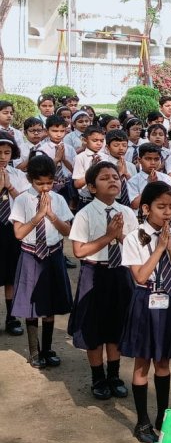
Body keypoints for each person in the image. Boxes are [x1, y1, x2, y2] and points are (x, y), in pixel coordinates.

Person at [120, 181, 171, 443]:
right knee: (142, 362)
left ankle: (164, 417)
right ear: (145, 208)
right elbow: (140, 276)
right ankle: (142, 420)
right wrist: (160, 248)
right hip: (146, 298)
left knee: (163, 362)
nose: (167, 212)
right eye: (161, 206)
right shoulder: (134, 237)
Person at [68, 161, 137, 400]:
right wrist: (108, 236)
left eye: (116, 177)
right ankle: (98, 377)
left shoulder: (127, 212)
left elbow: (136, 246)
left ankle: (114, 375)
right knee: (94, 328)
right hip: (94, 273)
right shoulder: (85, 214)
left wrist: (120, 237)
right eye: (105, 178)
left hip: (120, 273)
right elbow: (78, 251)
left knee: (116, 326)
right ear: (91, 187)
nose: (113, 181)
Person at [10, 154, 73, 368]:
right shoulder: (22, 199)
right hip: (31, 254)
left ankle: (47, 349)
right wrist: (38, 216)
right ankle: (34, 352)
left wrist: (52, 215)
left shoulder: (59, 199)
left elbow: (67, 230)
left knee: (50, 304)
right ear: (29, 180)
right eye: (40, 183)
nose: (45, 188)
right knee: (31, 306)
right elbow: (18, 233)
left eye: (49, 182)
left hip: (53, 255)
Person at [0, 134, 30, 336]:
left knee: (11, 275)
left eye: (7, 152)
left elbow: (27, 202)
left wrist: (9, 186)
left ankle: (11, 318)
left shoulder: (18, 175)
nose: (2, 156)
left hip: (11, 229)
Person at [128, 144, 171, 210]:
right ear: (139, 160)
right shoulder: (133, 181)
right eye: (148, 159)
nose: (153, 163)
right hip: (141, 217)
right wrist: (149, 185)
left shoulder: (166, 178)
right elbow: (135, 205)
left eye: (156, 159)